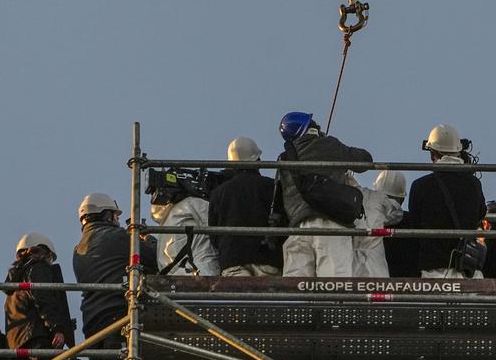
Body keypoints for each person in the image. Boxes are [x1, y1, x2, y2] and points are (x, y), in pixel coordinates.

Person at [275, 111, 373, 277]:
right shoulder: (328, 144)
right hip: (330, 226)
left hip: (298, 229)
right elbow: (365, 161)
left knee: (297, 287)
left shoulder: (284, 159)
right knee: (334, 284)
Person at [405, 125, 487, 278]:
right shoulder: (474, 184)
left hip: (433, 271)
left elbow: (414, 227)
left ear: (432, 154)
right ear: (459, 151)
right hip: (467, 270)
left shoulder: (421, 186)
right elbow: (480, 215)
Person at [4, 232, 76, 360]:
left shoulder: (14, 283)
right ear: (44, 252)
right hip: (38, 337)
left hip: (17, 343)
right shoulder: (38, 268)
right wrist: (56, 327)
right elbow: (43, 297)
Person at [73, 193, 129, 360]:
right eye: (115, 215)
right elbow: (153, 255)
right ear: (106, 215)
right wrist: (146, 238)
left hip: (92, 318)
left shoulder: (78, 249)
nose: (118, 220)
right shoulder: (117, 237)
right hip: (117, 313)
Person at [209, 136, 282, 276]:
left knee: (239, 291)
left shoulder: (218, 193)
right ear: (258, 160)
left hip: (232, 260)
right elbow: (284, 223)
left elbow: (214, 236)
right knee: (269, 291)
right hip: (267, 259)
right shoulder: (273, 187)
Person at [151, 172, 220, 276]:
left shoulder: (167, 219)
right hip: (199, 271)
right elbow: (219, 229)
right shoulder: (193, 203)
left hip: (175, 275)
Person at [354, 170, 406, 277]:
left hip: (359, 269)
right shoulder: (407, 220)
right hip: (400, 278)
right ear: (402, 199)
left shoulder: (358, 211)